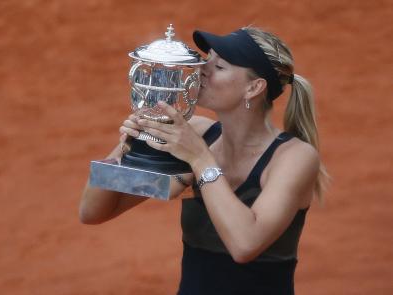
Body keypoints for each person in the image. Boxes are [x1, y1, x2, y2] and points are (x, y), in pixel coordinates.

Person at [79, 26, 328, 294]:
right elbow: (94, 212)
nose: (201, 70)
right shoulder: (194, 132)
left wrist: (199, 158)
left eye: (219, 66)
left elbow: (245, 244)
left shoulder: (294, 157)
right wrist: (126, 149)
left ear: (254, 87)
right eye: (205, 59)